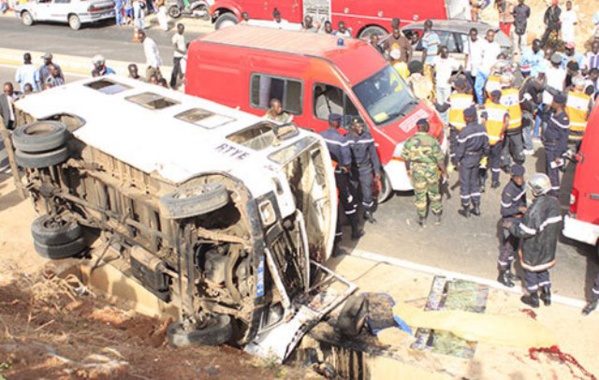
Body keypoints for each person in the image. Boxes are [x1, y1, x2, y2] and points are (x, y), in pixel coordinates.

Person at [505, 173, 561, 308]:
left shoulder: (533, 212)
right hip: (549, 246)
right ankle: (547, 295)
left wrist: (510, 226)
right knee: (543, 270)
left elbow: (523, 232)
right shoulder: (554, 202)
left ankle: (533, 298)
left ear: (536, 190)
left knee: (531, 273)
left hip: (534, 248)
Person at [320, 113, 363, 248]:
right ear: (337, 123)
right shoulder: (341, 140)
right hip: (338, 174)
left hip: (324, 174)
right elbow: (347, 161)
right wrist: (345, 169)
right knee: (346, 200)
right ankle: (354, 230)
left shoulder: (320, 136)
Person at [401, 118, 447, 227]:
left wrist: (408, 170)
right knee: (434, 193)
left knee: (420, 194)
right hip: (431, 170)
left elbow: (406, 158)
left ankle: (422, 218)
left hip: (417, 170)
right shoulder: (432, 140)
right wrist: (444, 172)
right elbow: (440, 159)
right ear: (425, 127)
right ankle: (437, 215)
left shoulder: (410, 141)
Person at [456, 105, 490, 217]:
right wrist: (483, 156)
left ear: (468, 118)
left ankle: (466, 208)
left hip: (466, 159)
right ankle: (476, 207)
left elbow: (460, 150)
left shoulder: (464, 132)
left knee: (465, 184)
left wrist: (457, 160)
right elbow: (486, 146)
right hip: (477, 158)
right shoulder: (482, 129)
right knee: (475, 182)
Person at [497, 164, 527, 287]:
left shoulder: (522, 185)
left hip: (519, 221)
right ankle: (502, 275)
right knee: (506, 249)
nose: (520, 180)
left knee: (514, 249)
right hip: (510, 222)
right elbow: (504, 211)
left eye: (521, 177)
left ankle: (508, 272)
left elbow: (523, 200)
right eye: (517, 177)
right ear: (512, 177)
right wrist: (519, 208)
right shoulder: (508, 191)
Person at [347, 117, 381, 224]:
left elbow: (374, 155)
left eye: (362, 126)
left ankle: (367, 213)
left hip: (365, 168)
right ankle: (354, 214)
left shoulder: (367, 137)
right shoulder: (347, 139)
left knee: (367, 192)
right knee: (352, 192)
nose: (361, 128)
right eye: (358, 126)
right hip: (352, 170)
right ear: (352, 126)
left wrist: (377, 171)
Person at [436, 77, 474, 169]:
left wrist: (435, 102)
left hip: (454, 126)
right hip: (465, 126)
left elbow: (441, 109)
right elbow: (473, 113)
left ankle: (454, 163)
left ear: (456, 87)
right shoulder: (469, 98)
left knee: (454, 145)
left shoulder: (452, 98)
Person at [542, 92, 569, 197]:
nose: (551, 103)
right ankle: (549, 189)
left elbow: (563, 139)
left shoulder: (563, 118)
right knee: (548, 169)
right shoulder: (553, 113)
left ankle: (554, 193)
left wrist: (559, 155)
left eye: (554, 101)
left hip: (554, 148)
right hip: (549, 146)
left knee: (553, 172)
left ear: (559, 104)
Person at [481, 90, 509, 189]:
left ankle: (482, 181)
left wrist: (485, 133)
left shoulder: (487, 107)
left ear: (492, 97)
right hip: (497, 139)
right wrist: (501, 132)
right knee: (496, 160)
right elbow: (506, 123)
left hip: (487, 138)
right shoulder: (504, 109)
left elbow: (483, 121)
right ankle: (495, 181)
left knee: (484, 159)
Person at [499, 73, 524, 169]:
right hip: (516, 124)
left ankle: (505, 162)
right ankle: (520, 158)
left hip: (505, 125)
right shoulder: (516, 92)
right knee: (518, 143)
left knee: (504, 145)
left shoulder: (499, 95)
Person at [519, 68, 544, 152]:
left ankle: (529, 147)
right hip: (530, 108)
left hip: (527, 108)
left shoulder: (528, 83)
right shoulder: (533, 81)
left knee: (525, 130)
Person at [475, 29, 502, 105]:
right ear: (486, 36)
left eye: (492, 36)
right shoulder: (482, 44)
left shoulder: (496, 46)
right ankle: (481, 103)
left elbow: (498, 59)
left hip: (490, 71)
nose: (491, 37)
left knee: (488, 89)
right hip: (481, 70)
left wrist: (494, 66)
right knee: (477, 88)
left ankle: (489, 103)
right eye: (489, 36)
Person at [565, 75, 591, 150]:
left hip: (568, 128)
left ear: (573, 86)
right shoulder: (588, 99)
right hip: (581, 130)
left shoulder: (568, 95)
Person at [464, 27, 483, 92]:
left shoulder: (481, 42)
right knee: (470, 86)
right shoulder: (467, 43)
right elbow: (466, 55)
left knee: (477, 85)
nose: (473, 36)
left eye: (475, 35)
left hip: (478, 66)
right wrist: (465, 66)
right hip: (470, 67)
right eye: (472, 35)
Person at [170, 23, 186, 89]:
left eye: (183, 29)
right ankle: (172, 84)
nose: (182, 30)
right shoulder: (175, 37)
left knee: (181, 70)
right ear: (178, 29)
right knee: (175, 71)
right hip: (177, 57)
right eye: (181, 29)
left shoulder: (182, 36)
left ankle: (182, 83)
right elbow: (175, 48)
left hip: (182, 56)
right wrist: (183, 52)